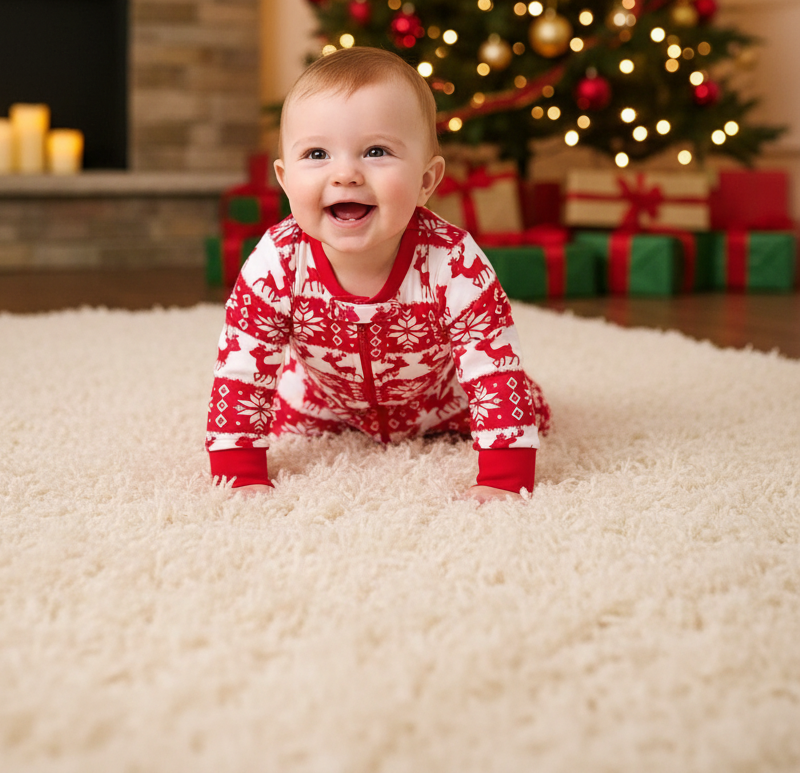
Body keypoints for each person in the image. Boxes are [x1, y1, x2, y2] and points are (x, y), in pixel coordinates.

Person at [206, 46, 550, 500]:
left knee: (525, 406)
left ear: (425, 182)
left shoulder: (453, 261)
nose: (345, 174)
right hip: (323, 403)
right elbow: (242, 368)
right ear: (286, 181)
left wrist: (504, 479)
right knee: (277, 399)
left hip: (441, 403)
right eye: (317, 153)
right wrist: (239, 472)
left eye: (375, 151)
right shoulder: (277, 261)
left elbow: (492, 364)